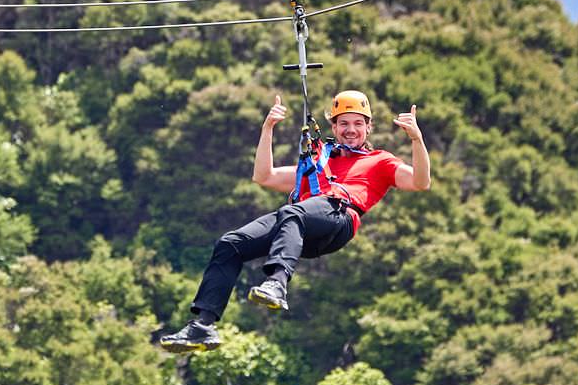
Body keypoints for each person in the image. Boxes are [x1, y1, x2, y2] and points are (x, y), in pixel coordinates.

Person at [157, 90, 431, 353]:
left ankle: (276, 283)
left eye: (358, 124)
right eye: (344, 123)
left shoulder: (380, 161)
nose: (351, 129)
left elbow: (420, 182)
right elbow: (264, 176)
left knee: (293, 212)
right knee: (231, 243)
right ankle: (203, 324)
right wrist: (268, 130)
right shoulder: (318, 162)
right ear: (333, 128)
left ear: (368, 128)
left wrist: (416, 140)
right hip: (299, 225)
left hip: (339, 218)